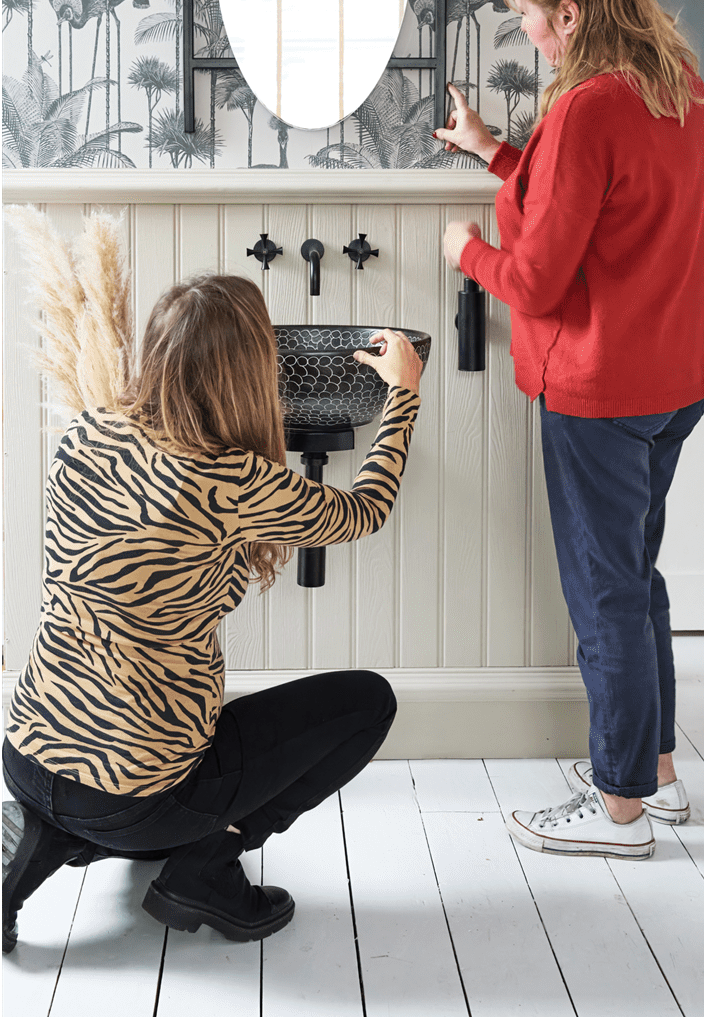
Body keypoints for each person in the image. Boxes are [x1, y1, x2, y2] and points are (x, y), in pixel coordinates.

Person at [2, 275, 419, 951]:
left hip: (26, 753)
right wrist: (403, 392)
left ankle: (51, 839)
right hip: (136, 795)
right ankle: (205, 867)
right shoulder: (230, 479)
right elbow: (365, 508)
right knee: (367, 703)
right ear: (252, 368)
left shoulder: (87, 431)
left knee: (116, 767)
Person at [436, 0, 704, 861]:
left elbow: (539, 275)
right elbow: (597, 206)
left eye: (527, 13)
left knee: (604, 595)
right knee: (638, 581)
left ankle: (618, 809)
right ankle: (660, 776)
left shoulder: (588, 105)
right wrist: (496, 152)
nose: (525, 30)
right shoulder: (677, 87)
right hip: (675, 379)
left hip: (602, 389)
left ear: (567, 13)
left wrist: (467, 252)